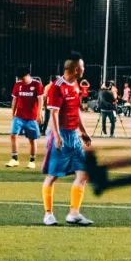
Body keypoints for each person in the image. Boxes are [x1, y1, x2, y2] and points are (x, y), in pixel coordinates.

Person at [41, 56, 94, 226]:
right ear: (75, 69)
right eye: (82, 66)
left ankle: (74, 213)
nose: (84, 69)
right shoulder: (57, 87)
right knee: (52, 176)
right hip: (60, 134)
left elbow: (76, 110)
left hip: (73, 136)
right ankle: (48, 214)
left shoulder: (76, 85)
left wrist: (83, 132)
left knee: (83, 173)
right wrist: (57, 136)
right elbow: (54, 113)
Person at [7, 72, 44, 168]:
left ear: (28, 75)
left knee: (32, 139)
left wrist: (39, 113)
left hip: (31, 117)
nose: (22, 81)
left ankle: (32, 161)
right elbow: (15, 99)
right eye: (20, 79)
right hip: (19, 116)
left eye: (23, 78)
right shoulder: (18, 84)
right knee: (13, 135)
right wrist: (13, 113)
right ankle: (14, 159)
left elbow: (40, 100)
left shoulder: (37, 85)